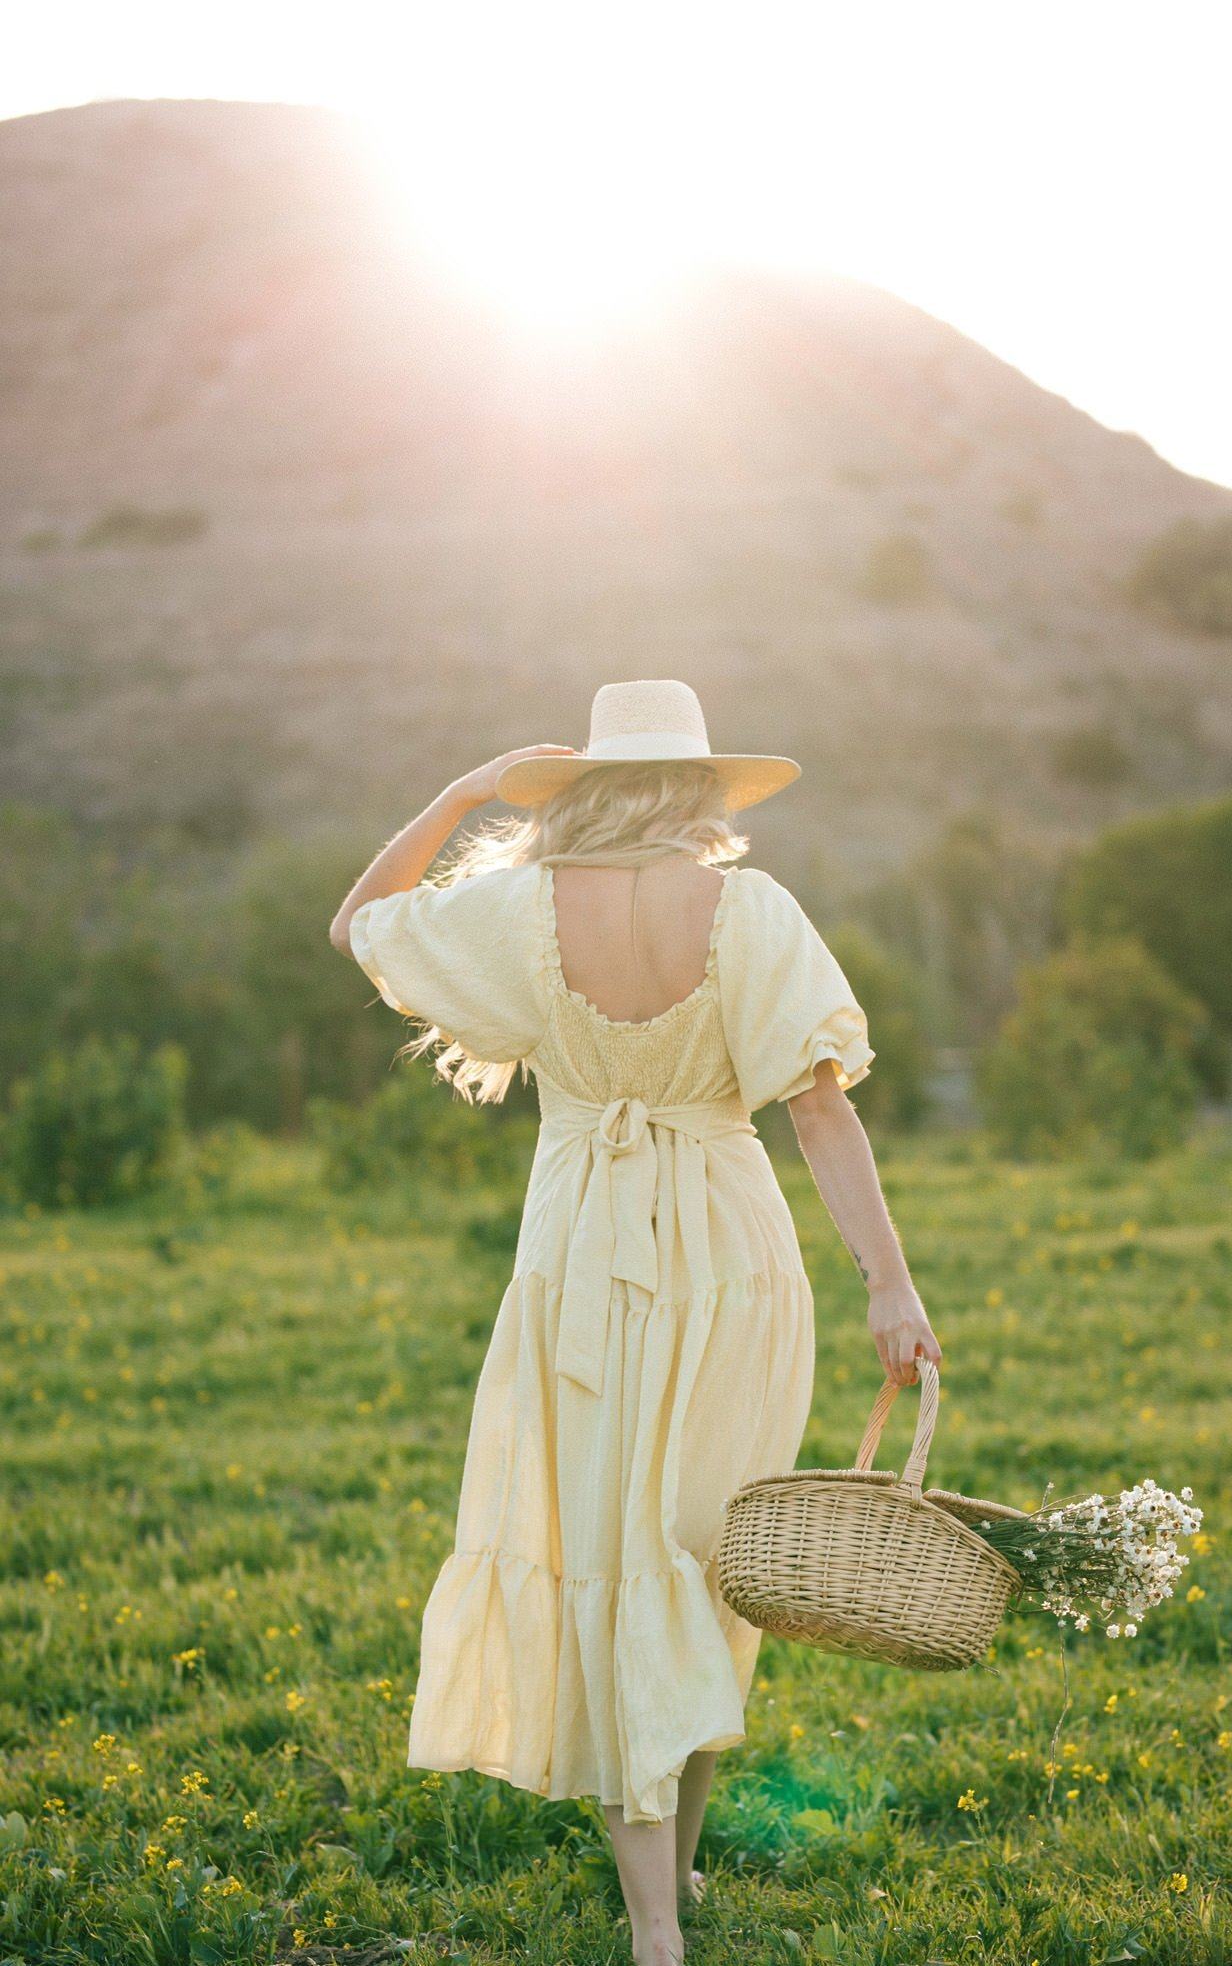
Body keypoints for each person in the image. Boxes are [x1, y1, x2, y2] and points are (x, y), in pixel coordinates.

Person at [329, 679, 941, 1966]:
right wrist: (890, 1282)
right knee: (705, 1556)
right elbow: (817, 1110)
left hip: (577, 1251)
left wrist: (460, 795)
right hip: (731, 1248)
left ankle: (658, 1916)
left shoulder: (514, 909)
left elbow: (360, 924)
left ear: (589, 786)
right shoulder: (752, 909)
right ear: (702, 788)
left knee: (616, 1550)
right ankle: (668, 1897)